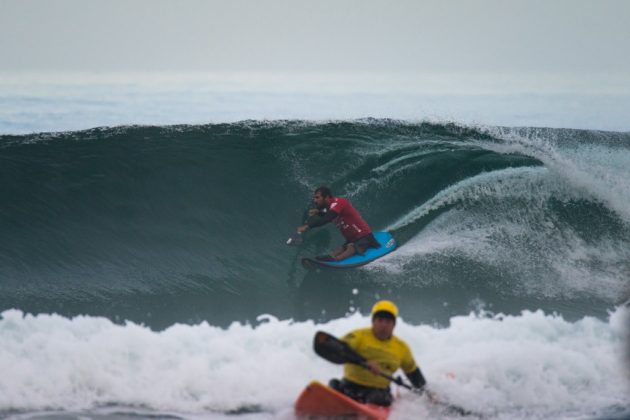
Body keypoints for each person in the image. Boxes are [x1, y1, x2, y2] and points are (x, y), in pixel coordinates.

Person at [328, 300, 427, 406]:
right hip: (350, 386)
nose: (383, 325)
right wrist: (365, 362)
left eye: (388, 322)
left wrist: (427, 393)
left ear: (394, 325)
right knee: (333, 384)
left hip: (378, 393)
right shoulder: (358, 336)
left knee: (376, 397)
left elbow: (413, 373)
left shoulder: (401, 348)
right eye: (380, 320)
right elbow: (339, 349)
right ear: (373, 322)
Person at [296, 186, 379, 261]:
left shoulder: (339, 202)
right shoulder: (331, 208)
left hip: (364, 236)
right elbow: (328, 214)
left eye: (318, 198)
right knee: (341, 248)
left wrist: (308, 226)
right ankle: (330, 257)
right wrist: (318, 212)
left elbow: (327, 218)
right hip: (352, 239)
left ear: (327, 197)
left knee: (351, 247)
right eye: (314, 198)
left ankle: (336, 260)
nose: (315, 200)